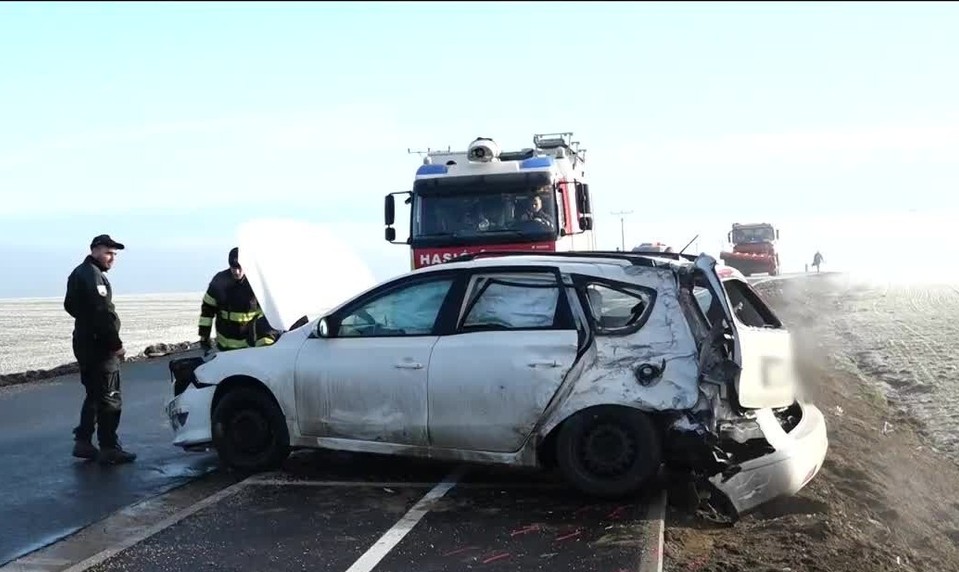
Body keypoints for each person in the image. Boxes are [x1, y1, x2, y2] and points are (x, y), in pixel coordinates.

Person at [64, 234, 137, 464]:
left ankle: (83, 441)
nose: (112, 258)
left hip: (84, 342)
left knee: (95, 394)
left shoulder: (78, 273)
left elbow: (70, 305)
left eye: (114, 254)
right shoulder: (93, 276)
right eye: (108, 253)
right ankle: (109, 447)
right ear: (95, 250)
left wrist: (85, 322)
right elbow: (102, 313)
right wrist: (116, 345)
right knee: (110, 396)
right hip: (99, 346)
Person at [198, 247, 264, 352]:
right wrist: (204, 336)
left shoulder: (257, 283)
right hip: (224, 347)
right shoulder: (219, 281)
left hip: (250, 348)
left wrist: (265, 344)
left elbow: (267, 316)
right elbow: (207, 311)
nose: (237, 272)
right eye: (234, 268)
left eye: (240, 268)